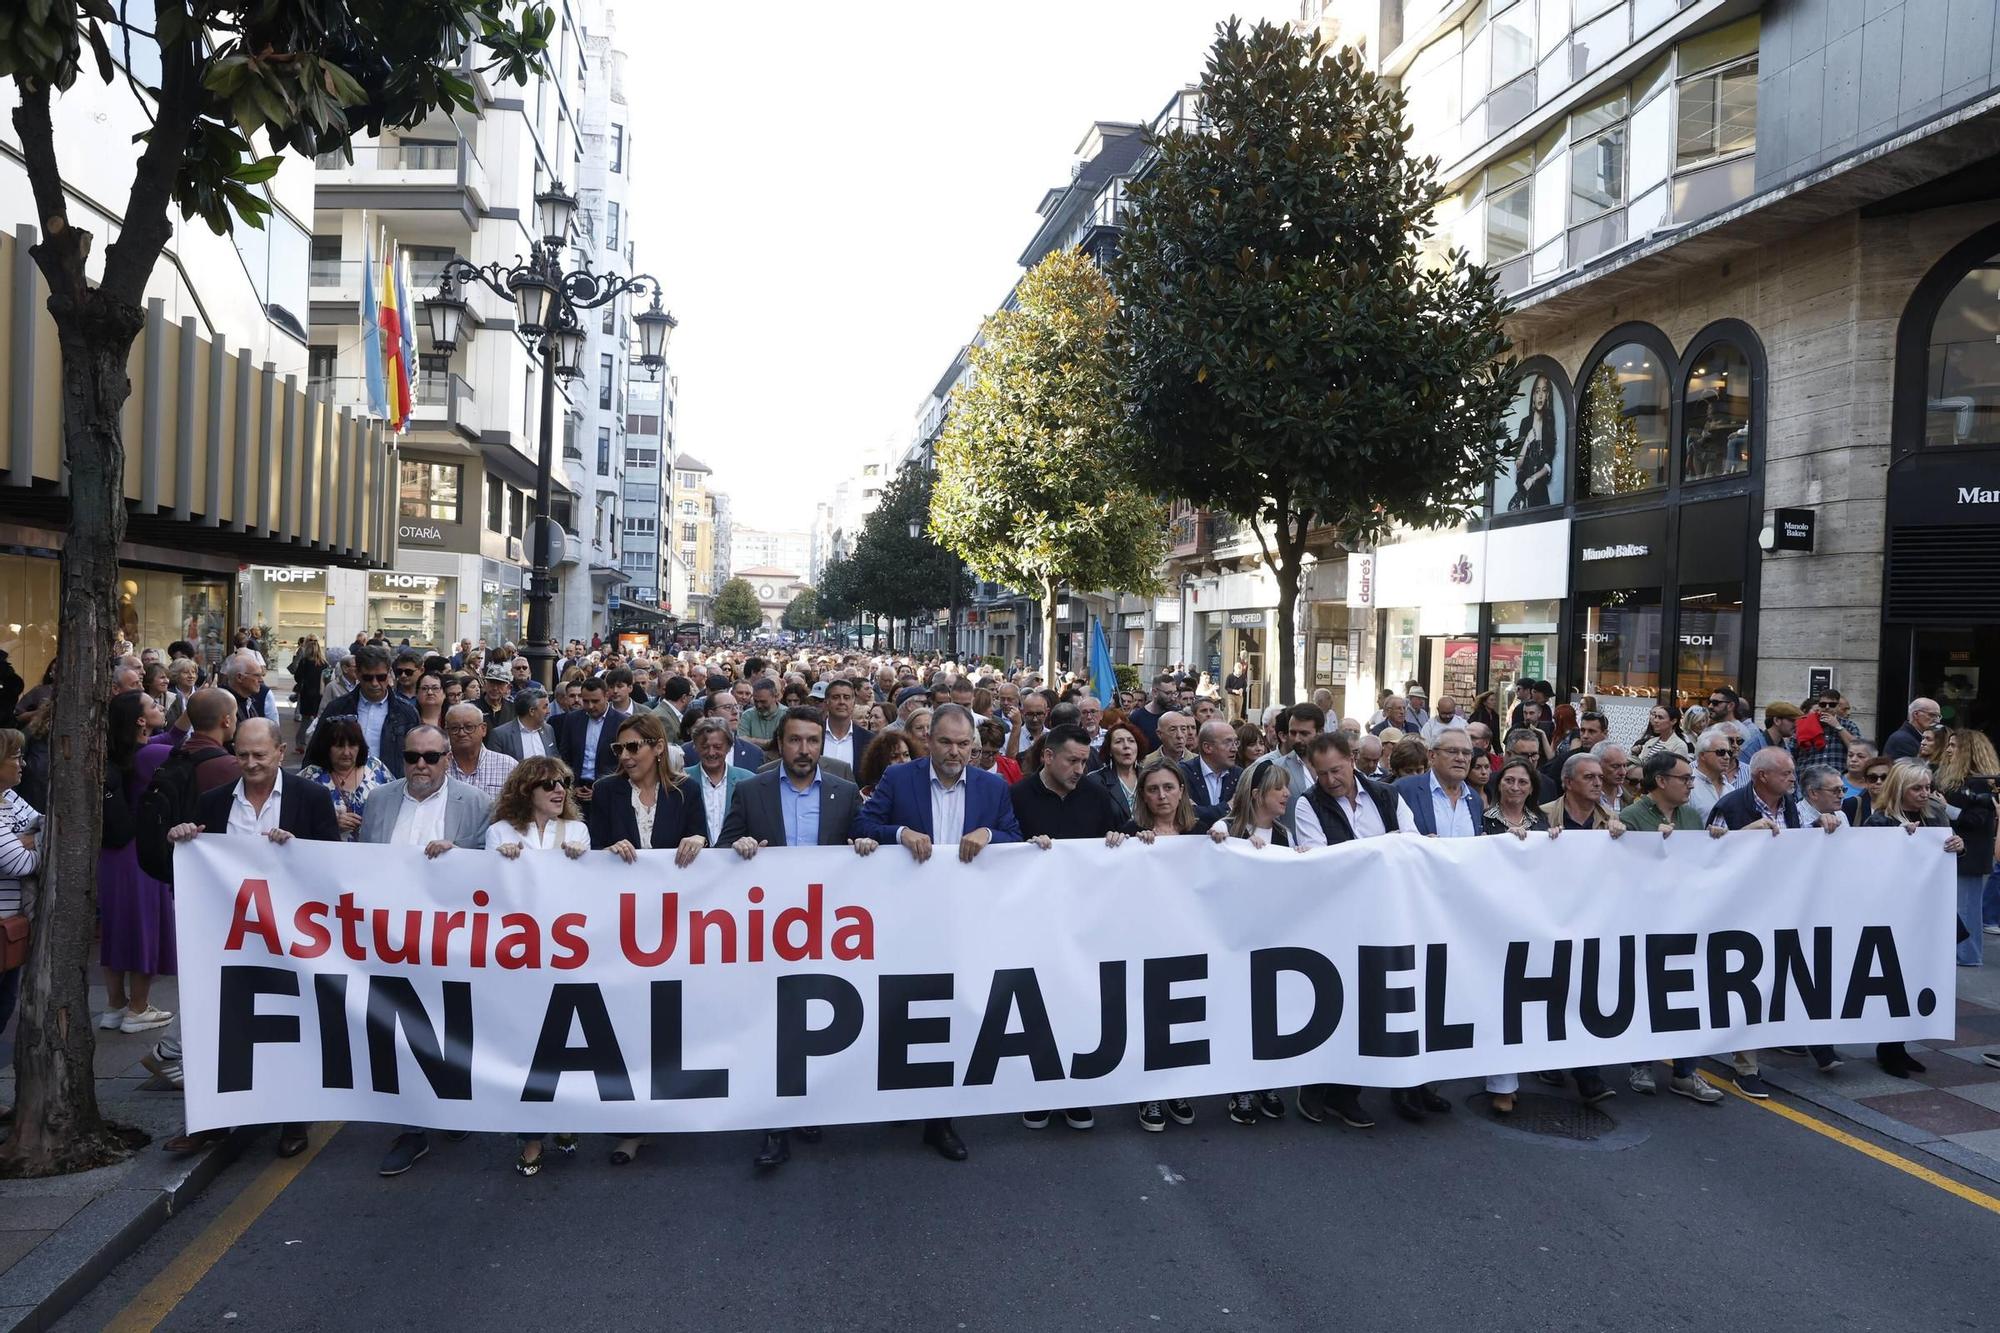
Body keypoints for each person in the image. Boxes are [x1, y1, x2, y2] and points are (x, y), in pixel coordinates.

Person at [161, 718, 339, 1157]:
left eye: (260, 755)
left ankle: (294, 1122)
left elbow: (334, 866)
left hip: (294, 937)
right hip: (230, 936)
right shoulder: (213, 801)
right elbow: (196, 864)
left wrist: (298, 848)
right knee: (221, 1026)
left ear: (281, 752)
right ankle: (211, 1121)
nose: (250, 763)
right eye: (242, 754)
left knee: (292, 1026)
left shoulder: (310, 797)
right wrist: (182, 839)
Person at [853, 704, 1023, 1163]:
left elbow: (1015, 835)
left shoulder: (991, 786)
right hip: (905, 918)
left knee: (952, 1012)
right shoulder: (899, 779)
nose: (954, 751)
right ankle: (901, 1094)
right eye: (945, 742)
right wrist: (900, 833)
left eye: (963, 744)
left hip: (965, 920)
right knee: (902, 1006)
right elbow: (863, 826)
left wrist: (989, 832)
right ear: (928, 742)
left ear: (975, 746)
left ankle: (941, 1120)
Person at [722, 705, 880, 1170]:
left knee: (814, 1022)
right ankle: (774, 1123)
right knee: (773, 1024)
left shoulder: (845, 792)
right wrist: (739, 847)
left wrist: (865, 846)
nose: (805, 750)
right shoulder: (751, 792)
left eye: (813, 741)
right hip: (768, 930)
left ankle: (808, 1107)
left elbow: (863, 842)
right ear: (780, 743)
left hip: (829, 930)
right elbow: (722, 851)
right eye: (795, 740)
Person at [357, 723, 493, 1177]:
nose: (420, 765)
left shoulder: (474, 804)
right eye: (412, 756)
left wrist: (461, 857)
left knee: (451, 1028)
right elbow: (356, 868)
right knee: (401, 1033)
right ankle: (412, 1129)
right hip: (390, 941)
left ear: (447, 760)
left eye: (431, 757)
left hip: (449, 943)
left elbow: (490, 871)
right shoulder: (378, 800)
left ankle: (451, 1107)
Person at [1011, 723, 1131, 1134]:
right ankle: (1039, 1092)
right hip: (1033, 921)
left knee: (1080, 1003)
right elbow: (1003, 847)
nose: (1080, 768)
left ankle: (1076, 1093)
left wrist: (1123, 837)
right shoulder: (1019, 796)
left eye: (1084, 761)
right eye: (1072, 760)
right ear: (1047, 756)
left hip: (1084, 921)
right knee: (1039, 1006)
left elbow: (1128, 836)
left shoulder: (1097, 796)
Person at [485, 757, 591, 1176]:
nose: (558, 790)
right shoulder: (500, 832)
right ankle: (530, 1137)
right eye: (548, 784)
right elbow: (487, 891)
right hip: (519, 958)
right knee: (526, 1047)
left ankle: (564, 1119)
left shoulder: (578, 831)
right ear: (526, 790)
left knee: (565, 1042)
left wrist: (584, 859)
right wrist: (500, 859)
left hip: (566, 955)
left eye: (563, 783)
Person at [1865, 759, 1967, 1077]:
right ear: (1900, 789)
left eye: (1928, 787)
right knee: (1894, 981)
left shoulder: (1933, 815)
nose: (1925, 794)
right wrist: (1899, 842)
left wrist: (1957, 847)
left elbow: (1942, 860)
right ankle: (1889, 1048)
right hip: (1894, 914)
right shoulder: (1879, 821)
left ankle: (1899, 1046)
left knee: (1917, 979)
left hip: (1927, 912)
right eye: (1917, 788)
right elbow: (1866, 865)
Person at [1208, 761, 1296, 1126]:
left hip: (1273, 938)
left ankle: (1266, 1081)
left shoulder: (1285, 834)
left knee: (1269, 1014)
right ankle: (1239, 1086)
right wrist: (1232, 845)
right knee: (1237, 1014)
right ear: (1258, 794)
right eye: (1279, 789)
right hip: (1233, 939)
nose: (1286, 795)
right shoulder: (1224, 828)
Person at [98, 691, 176, 1035]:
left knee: (115, 930)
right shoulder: (151, 756)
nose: (160, 706)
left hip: (110, 856)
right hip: (141, 853)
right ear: (140, 720)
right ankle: (139, 1008)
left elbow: (173, 735)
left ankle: (114, 1006)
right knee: (146, 929)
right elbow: (187, 745)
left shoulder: (117, 753)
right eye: (153, 705)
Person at [1931, 729, 1999, 967]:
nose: (1948, 749)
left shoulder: (1982, 783)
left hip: (1971, 853)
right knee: (1955, 906)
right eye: (1949, 745)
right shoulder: (1949, 778)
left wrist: (1944, 806)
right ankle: (1958, 953)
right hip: (1951, 850)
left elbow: (1976, 821)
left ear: (1968, 751)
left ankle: (1968, 955)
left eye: (1954, 746)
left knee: (1967, 908)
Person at [0, 728, 43, 1072]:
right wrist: (28, 841)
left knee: (4, 1006)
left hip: (10, 925)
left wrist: (28, 837)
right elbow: (20, 862)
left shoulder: (10, 798)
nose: (22, 764)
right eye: (15, 757)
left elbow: (43, 822)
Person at [315, 646, 418, 778]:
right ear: (357, 674)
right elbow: (316, 751)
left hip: (390, 788)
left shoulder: (407, 713)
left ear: (389, 673)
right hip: (341, 787)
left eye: (381, 677)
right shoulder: (337, 708)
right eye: (368, 678)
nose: (375, 683)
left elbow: (416, 756)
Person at [296, 715, 393, 842]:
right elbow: (295, 821)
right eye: (339, 746)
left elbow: (396, 804)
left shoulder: (376, 767)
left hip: (373, 852)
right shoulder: (310, 776)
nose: (346, 752)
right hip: (327, 854)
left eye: (352, 745)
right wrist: (331, 824)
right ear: (326, 747)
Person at [554, 676, 628, 803]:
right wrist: (571, 786)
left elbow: (623, 762)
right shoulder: (572, 719)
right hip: (576, 790)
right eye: (586, 701)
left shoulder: (621, 722)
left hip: (608, 791)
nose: (590, 706)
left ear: (606, 696)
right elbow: (565, 756)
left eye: (595, 701)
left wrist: (601, 790)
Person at [441, 702, 516, 799]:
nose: (461, 733)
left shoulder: (508, 766)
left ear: (483, 729)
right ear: (446, 732)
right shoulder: (437, 765)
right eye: (454, 728)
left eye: (469, 727)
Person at [1541, 753, 1626, 834]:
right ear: (1569, 782)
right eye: (1589, 777)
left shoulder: (1610, 818)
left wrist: (1618, 834)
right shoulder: (1543, 814)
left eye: (1600, 777)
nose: (1598, 783)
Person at [1181, 718, 1241, 826]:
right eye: (1227, 742)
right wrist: (1228, 808)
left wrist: (1200, 811)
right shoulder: (1183, 773)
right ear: (1207, 747)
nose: (1234, 749)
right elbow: (1186, 815)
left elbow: (1242, 818)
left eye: (1235, 742)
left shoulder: (1240, 776)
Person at [1091, 719, 1148, 822]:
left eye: (1131, 741)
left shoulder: (1150, 777)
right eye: (1118, 742)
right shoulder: (1096, 781)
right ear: (1110, 750)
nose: (1126, 746)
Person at [1481, 755, 1551, 838]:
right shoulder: (1483, 819)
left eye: (1522, 782)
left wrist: (1553, 837)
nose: (1515, 787)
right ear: (1499, 784)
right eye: (1509, 780)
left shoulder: (1541, 820)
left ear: (1531, 789)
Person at [819, 677, 873, 771]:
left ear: (853, 702)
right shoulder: (815, 733)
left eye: (846, 697)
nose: (841, 702)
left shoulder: (869, 740)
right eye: (836, 697)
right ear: (826, 702)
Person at [488, 689, 557, 761]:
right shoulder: (500, 735)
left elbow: (555, 759)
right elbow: (494, 767)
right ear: (531, 711)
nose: (548, 711)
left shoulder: (548, 730)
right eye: (544, 707)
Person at [1736, 701, 1801, 769]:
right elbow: (1742, 776)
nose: (1796, 725)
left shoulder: (1785, 748)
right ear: (1776, 720)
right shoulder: (1751, 748)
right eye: (1792, 720)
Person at [289, 636, 326, 746]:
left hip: (306, 694)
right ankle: (313, 743)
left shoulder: (304, 662)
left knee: (305, 720)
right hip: (319, 694)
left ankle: (300, 743)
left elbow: (297, 677)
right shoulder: (324, 663)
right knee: (317, 720)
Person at [856, 729, 913, 798]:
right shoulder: (865, 796)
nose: (903, 761)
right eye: (894, 757)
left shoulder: (920, 790)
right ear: (880, 762)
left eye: (906, 755)